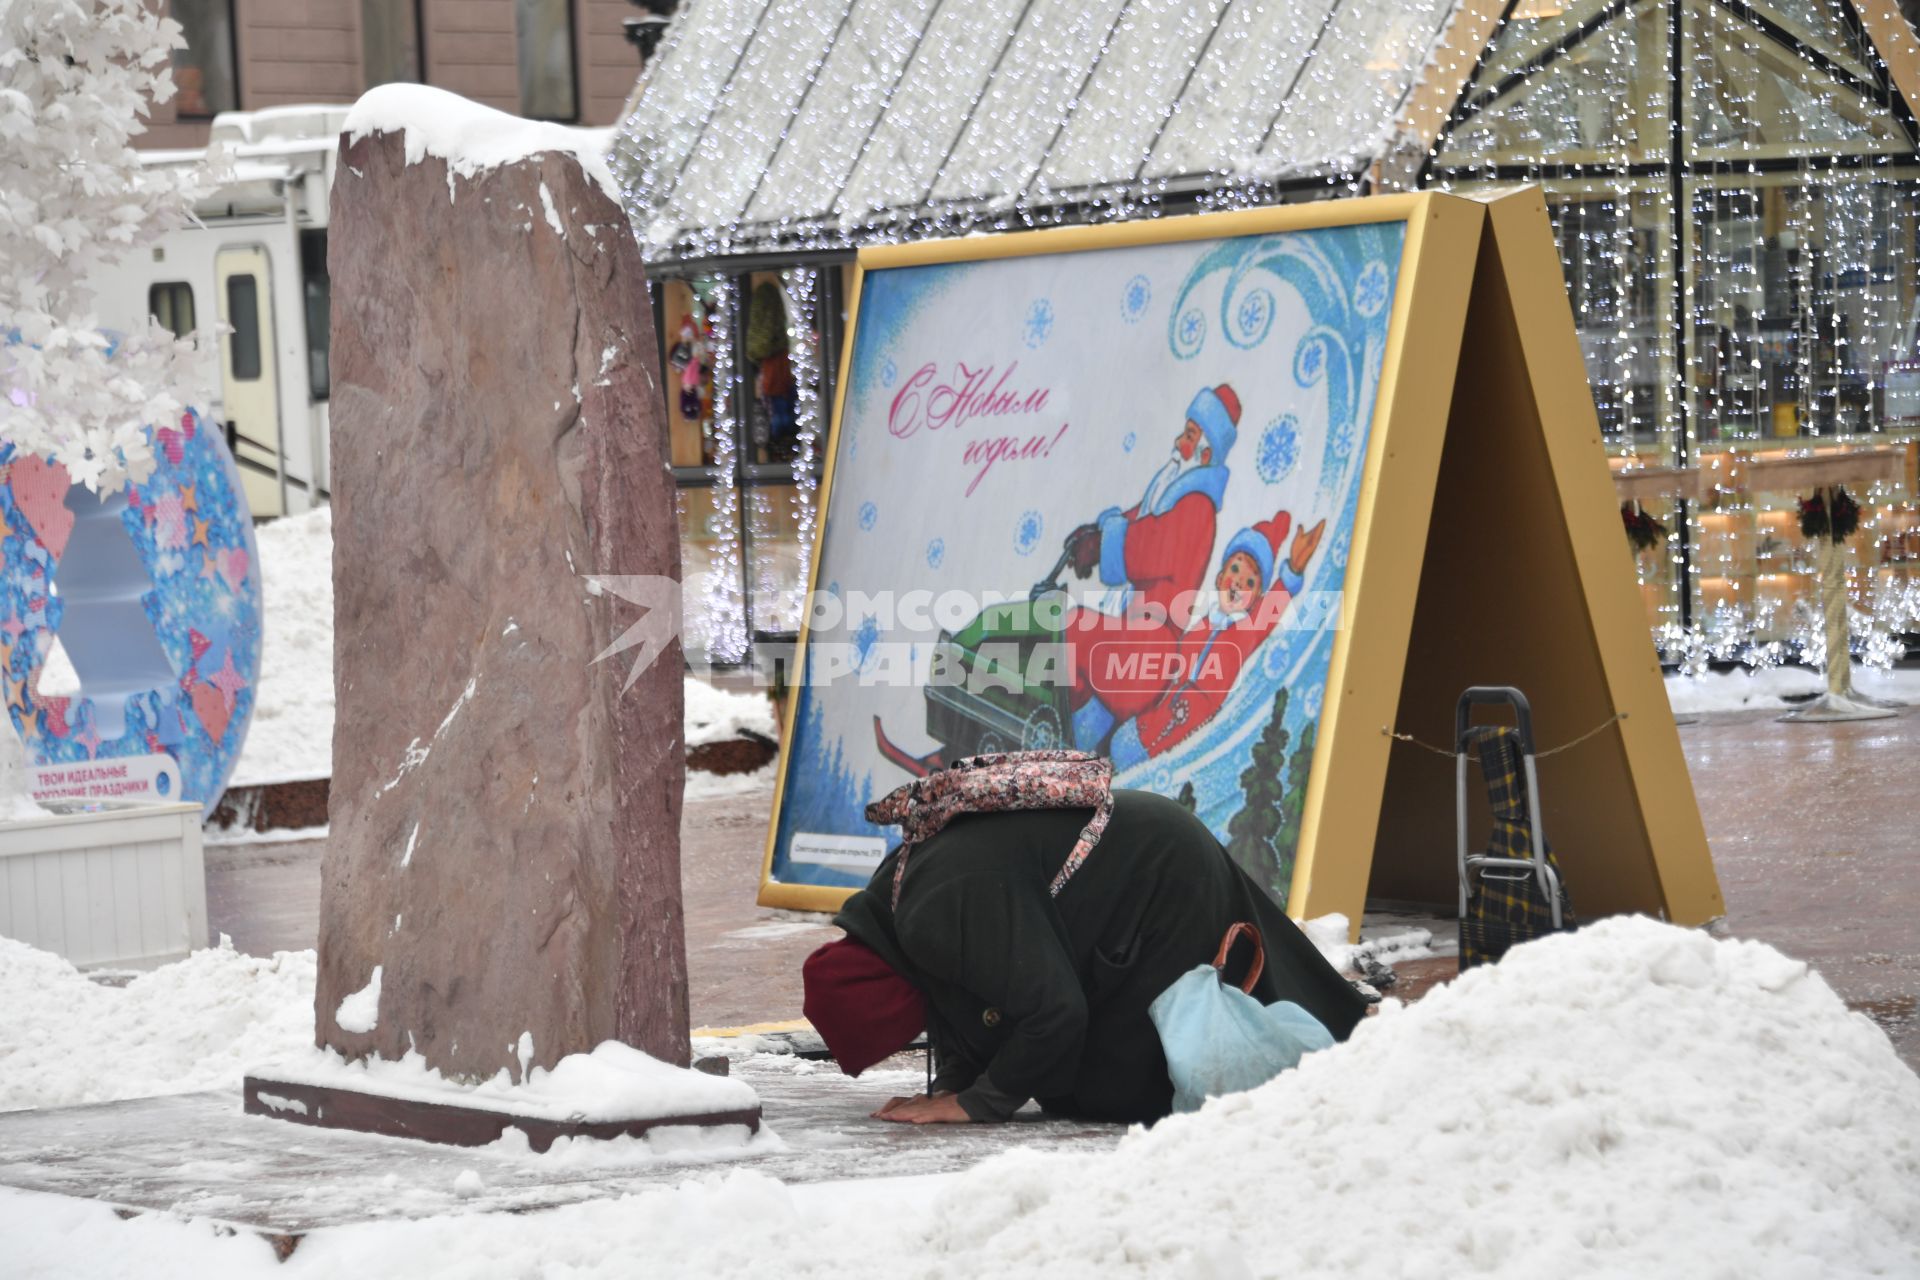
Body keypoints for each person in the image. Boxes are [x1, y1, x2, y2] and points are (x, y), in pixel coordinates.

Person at [801, 787, 1367, 1125]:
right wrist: (952, 1082)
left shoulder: (932, 913)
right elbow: (965, 993)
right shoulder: (894, 911)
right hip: (1133, 856)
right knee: (1066, 1076)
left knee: (1117, 1092)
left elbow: (1054, 1011)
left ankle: (1318, 1071)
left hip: (1157, 879)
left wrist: (977, 1104)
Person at [1060, 385, 1241, 753]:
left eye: (1190, 434)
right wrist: (1093, 534)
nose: (1179, 441)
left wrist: (1100, 547)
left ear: (1206, 451)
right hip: (1136, 637)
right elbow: (1137, 519)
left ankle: (1064, 741)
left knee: (1075, 632)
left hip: (1148, 653)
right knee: (1072, 631)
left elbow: (1152, 545)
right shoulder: (1173, 492)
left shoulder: (1197, 508)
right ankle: (1071, 739)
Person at [1108, 512, 1325, 768]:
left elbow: (1271, 610)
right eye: (1235, 569)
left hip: (1189, 731)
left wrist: (1293, 571)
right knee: (1119, 748)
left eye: (1250, 581)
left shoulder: (1244, 631)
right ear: (1220, 577)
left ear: (1256, 597)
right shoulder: (1202, 625)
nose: (1238, 582)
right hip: (1153, 722)